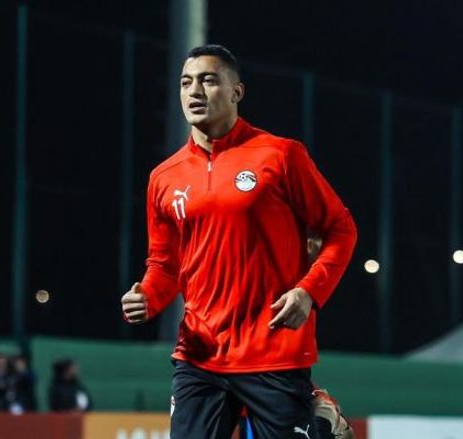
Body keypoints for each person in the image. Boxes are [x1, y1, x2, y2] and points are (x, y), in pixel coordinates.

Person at [121, 44, 357, 438]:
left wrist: (308, 293)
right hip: (199, 355)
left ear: (236, 92)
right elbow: (165, 263)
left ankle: (319, 417)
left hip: (273, 352)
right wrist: (148, 295)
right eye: (185, 83)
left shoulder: (281, 155)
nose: (195, 91)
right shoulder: (163, 177)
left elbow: (341, 228)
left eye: (208, 80)